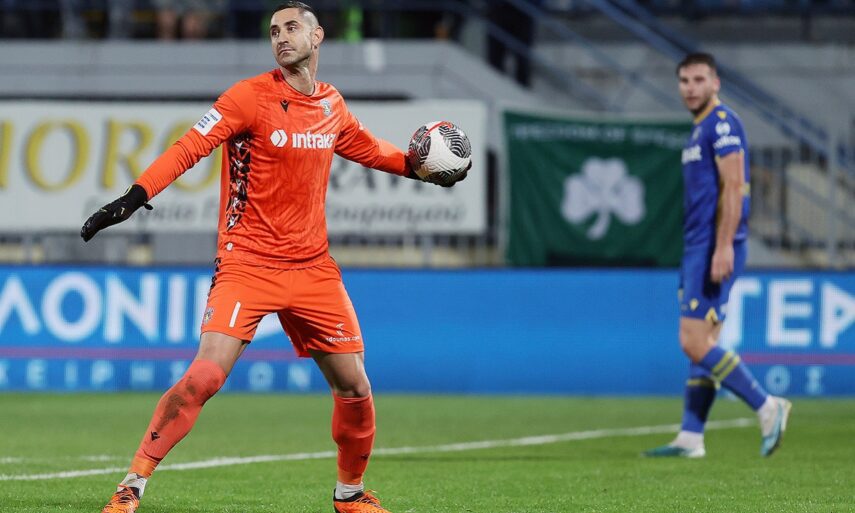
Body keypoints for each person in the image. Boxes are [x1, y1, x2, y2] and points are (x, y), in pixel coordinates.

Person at [82, 3, 468, 512]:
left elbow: (373, 150)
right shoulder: (248, 97)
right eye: (273, 31)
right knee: (204, 377)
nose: (281, 37)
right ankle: (132, 484)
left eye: (291, 28)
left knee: (355, 385)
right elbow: (189, 147)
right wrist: (134, 197)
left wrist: (421, 169)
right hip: (248, 264)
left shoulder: (330, 105)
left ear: (317, 36)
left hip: (313, 269)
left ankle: (350, 494)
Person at [643, 53, 791, 459]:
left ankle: (767, 406)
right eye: (684, 80)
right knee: (705, 342)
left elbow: (734, 185)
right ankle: (691, 437)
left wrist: (724, 245)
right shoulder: (699, 130)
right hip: (698, 245)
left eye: (699, 79)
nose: (691, 88)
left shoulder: (722, 123)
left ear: (715, 83)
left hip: (712, 246)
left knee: (693, 342)